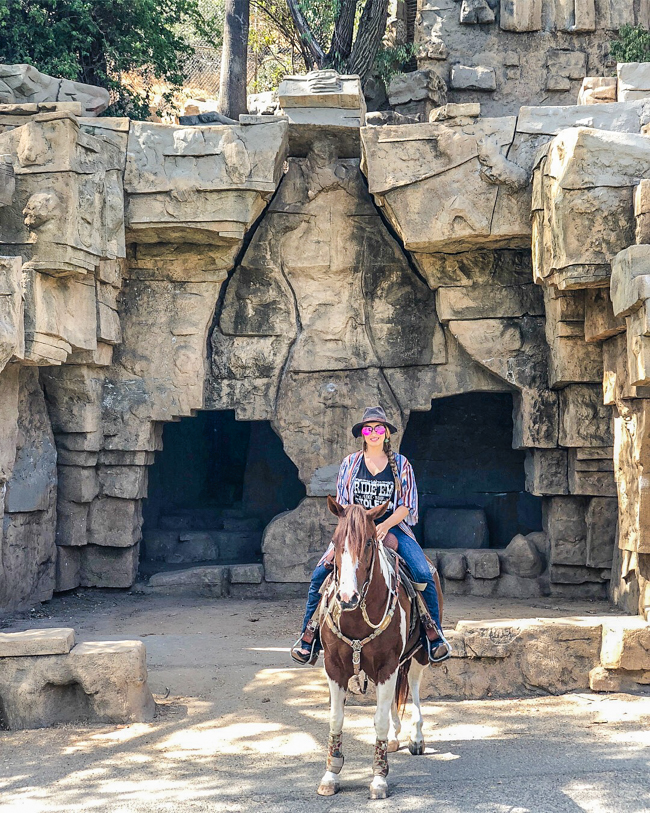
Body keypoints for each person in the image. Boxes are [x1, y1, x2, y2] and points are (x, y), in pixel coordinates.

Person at [291, 405, 451, 666]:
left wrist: (385, 525)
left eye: (379, 428)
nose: (374, 433)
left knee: (423, 572)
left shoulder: (401, 464)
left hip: (393, 526)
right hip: (355, 529)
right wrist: (359, 526)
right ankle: (308, 637)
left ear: (387, 433)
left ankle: (434, 635)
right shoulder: (351, 463)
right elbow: (343, 504)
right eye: (368, 429)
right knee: (320, 573)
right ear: (362, 434)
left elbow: (406, 505)